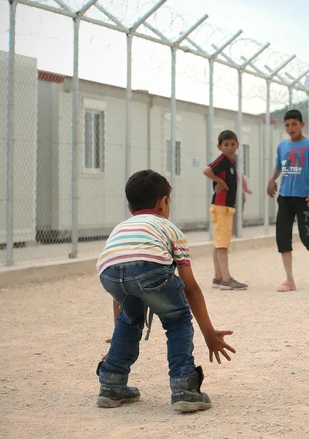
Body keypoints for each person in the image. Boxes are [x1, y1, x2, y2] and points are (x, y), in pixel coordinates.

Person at [95, 169, 236, 412]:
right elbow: (190, 288)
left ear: (130, 207)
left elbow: (122, 281)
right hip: (151, 269)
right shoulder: (168, 228)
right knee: (178, 318)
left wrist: (118, 327)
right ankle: (184, 388)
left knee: (129, 320)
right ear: (163, 203)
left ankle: (111, 384)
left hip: (108, 273)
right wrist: (208, 332)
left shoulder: (121, 228)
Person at [267, 110, 309, 292]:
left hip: (304, 198)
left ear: (302, 124)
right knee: (282, 238)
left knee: (307, 237)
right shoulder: (282, 147)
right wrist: (272, 179)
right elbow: (279, 167)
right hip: (285, 197)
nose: (290, 128)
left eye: (294, 124)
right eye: (287, 125)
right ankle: (289, 280)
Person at [203, 130, 248, 290]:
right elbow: (207, 170)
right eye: (226, 144)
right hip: (221, 207)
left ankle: (218, 277)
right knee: (222, 245)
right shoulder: (222, 159)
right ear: (219, 146)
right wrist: (219, 182)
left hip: (225, 208)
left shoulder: (230, 161)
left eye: (232, 144)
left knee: (219, 243)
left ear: (237, 145)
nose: (230, 147)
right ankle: (226, 280)